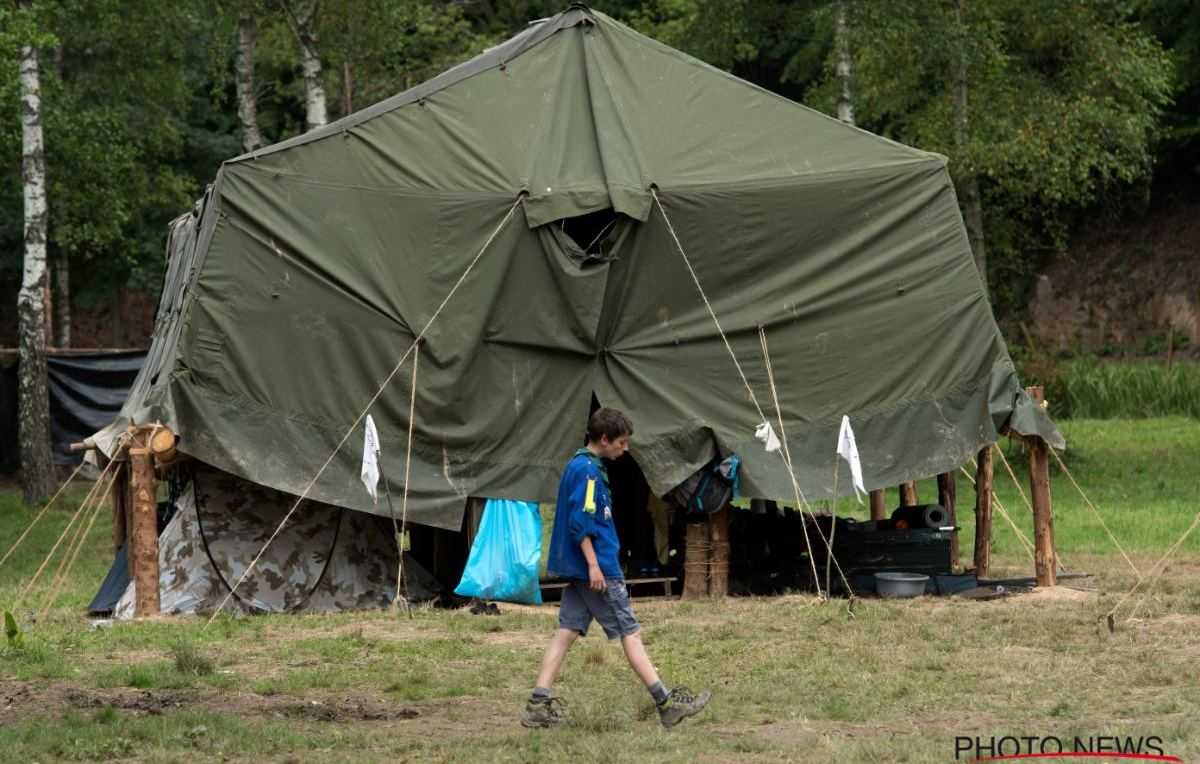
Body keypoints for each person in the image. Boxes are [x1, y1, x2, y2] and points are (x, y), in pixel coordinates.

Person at [522, 407, 712, 729]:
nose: (625, 449)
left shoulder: (578, 465)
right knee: (630, 632)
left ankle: (537, 704)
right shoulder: (588, 473)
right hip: (597, 570)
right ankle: (666, 703)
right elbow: (582, 524)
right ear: (604, 439)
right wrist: (594, 566)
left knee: (567, 631)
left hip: (581, 572)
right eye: (621, 442)